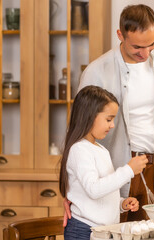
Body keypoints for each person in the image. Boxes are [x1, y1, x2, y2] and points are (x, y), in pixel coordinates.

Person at [65, 4, 154, 223]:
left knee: (147, 233)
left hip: (150, 164)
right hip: (116, 166)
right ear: (120, 35)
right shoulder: (97, 71)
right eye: (138, 47)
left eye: (151, 44)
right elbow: (78, 128)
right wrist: (69, 191)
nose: (146, 53)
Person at [59, 86, 148, 239]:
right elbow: (94, 189)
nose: (112, 125)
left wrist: (121, 204)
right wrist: (128, 170)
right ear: (89, 116)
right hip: (84, 231)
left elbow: (103, 192)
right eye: (108, 119)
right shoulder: (79, 150)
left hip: (101, 231)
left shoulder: (100, 150)